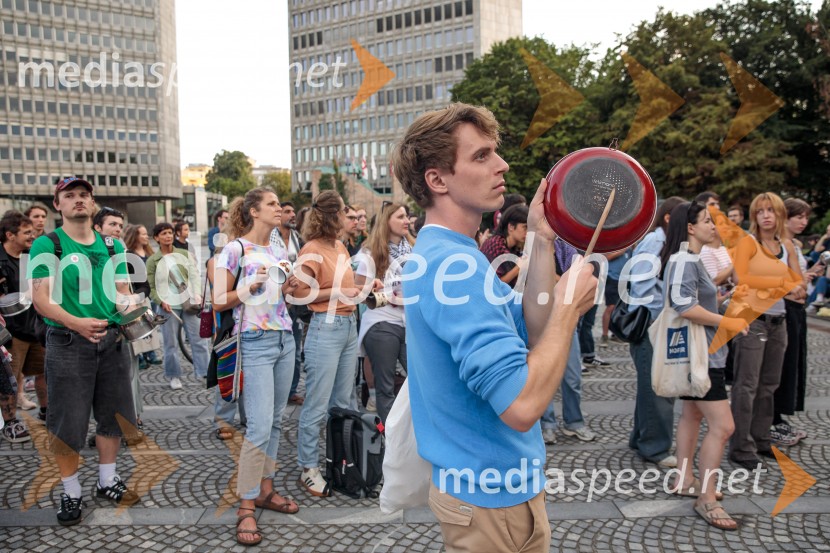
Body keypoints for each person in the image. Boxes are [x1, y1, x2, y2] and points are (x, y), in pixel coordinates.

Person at [394, 103, 597, 551]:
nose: (502, 164)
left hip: (493, 491)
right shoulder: (455, 266)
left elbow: (531, 329)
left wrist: (543, 238)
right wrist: (568, 309)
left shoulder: (454, 253)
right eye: (481, 156)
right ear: (437, 179)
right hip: (490, 503)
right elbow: (522, 405)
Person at [28, 176, 140, 525]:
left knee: (114, 415)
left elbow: (121, 290)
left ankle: (107, 480)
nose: (78, 200)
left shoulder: (113, 246)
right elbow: (41, 299)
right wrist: (77, 322)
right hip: (67, 341)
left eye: (84, 195)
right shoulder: (48, 245)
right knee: (67, 422)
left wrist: (136, 309)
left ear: (92, 204)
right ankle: (71, 490)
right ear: (57, 203)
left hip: (112, 341)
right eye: (70, 195)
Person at [213, 186, 301, 546]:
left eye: (279, 203)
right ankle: (245, 506)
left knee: (276, 422)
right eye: (272, 204)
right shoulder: (234, 250)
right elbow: (219, 301)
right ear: (253, 211)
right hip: (254, 341)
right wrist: (249, 287)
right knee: (259, 426)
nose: (279, 208)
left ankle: (266, 490)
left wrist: (292, 286)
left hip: (285, 338)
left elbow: (286, 296)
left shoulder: (278, 247)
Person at [662, 201, 746, 531]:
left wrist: (721, 301)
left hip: (699, 353)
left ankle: (686, 478)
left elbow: (691, 300)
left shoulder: (686, 259)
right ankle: (706, 497)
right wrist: (728, 320)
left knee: (692, 414)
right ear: (691, 228)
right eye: (707, 220)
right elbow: (683, 305)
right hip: (702, 355)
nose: (714, 225)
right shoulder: (685, 259)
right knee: (724, 427)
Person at [293, 190, 362, 497]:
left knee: (344, 402)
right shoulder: (311, 249)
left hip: (348, 326)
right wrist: (334, 294)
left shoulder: (340, 247)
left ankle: (341, 461)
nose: (351, 218)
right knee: (317, 404)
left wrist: (366, 283)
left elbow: (347, 284)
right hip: (326, 327)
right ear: (332, 216)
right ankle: (308, 468)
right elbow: (296, 295)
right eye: (346, 213)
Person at [729, 192, 802, 470]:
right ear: (754, 216)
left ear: (779, 213)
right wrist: (784, 284)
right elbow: (742, 278)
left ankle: (760, 438)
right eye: (760, 211)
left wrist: (793, 286)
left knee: (769, 385)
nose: (766, 216)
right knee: (746, 385)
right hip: (754, 319)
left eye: (771, 210)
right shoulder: (749, 243)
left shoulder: (786, 245)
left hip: (779, 321)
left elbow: (799, 284)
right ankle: (741, 446)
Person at [627, 195, 686, 467]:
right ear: (669, 218)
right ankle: (655, 448)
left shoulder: (666, 241)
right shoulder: (656, 241)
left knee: (651, 387)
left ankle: (642, 437)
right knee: (658, 387)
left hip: (660, 322)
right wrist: (656, 319)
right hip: (652, 324)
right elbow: (640, 284)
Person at [354, 203, 411, 423]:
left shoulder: (414, 250)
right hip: (381, 323)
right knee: (385, 387)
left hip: (408, 323)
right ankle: (389, 439)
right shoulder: (370, 252)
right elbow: (359, 291)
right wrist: (379, 292)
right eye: (401, 216)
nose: (407, 220)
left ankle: (411, 431)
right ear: (387, 221)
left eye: (407, 216)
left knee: (418, 379)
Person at [772, 198, 816, 444]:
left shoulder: (794, 245)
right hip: (786, 308)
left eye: (806, 217)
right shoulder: (780, 244)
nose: (803, 221)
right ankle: (774, 419)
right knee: (783, 365)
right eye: (798, 216)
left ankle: (780, 416)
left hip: (797, 309)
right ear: (785, 217)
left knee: (794, 363)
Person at [146, 222, 210, 389]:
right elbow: (151, 287)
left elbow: (195, 276)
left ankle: (203, 372)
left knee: (199, 339)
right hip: (168, 306)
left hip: (188, 302)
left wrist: (197, 293)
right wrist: (160, 301)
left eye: (170, 233)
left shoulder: (183, 253)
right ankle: (174, 375)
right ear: (156, 238)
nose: (167, 236)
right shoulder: (153, 260)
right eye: (164, 233)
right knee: (170, 343)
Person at [0, 211, 41, 436]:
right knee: (9, 380)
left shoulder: (32, 256)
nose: (32, 236)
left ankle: (47, 412)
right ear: (9, 235)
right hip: (9, 332)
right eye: (27, 233)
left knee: (43, 372)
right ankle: (10, 422)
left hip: (35, 326)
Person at [269, 201, 305, 405]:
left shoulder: (297, 238)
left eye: (293, 211)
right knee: (278, 345)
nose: (292, 215)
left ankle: (291, 389)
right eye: (287, 211)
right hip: (275, 297)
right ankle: (275, 388)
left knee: (295, 347)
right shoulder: (270, 238)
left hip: (295, 298)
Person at [122, 224, 162, 370]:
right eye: (143, 234)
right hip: (135, 293)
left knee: (149, 324)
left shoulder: (149, 252)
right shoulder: (129, 254)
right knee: (136, 325)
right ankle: (140, 356)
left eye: (146, 234)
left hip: (149, 292)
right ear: (135, 236)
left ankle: (150, 352)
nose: (146, 237)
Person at [479, 204, 528, 288]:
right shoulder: (495, 245)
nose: (527, 232)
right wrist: (519, 267)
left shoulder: (514, 247)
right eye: (525, 227)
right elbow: (494, 285)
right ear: (511, 227)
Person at [598, 248, 631, 347]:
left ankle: (616, 334)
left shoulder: (631, 245)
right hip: (612, 278)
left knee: (622, 308)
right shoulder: (615, 244)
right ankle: (604, 335)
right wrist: (621, 250)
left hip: (625, 280)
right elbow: (605, 257)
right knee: (611, 307)